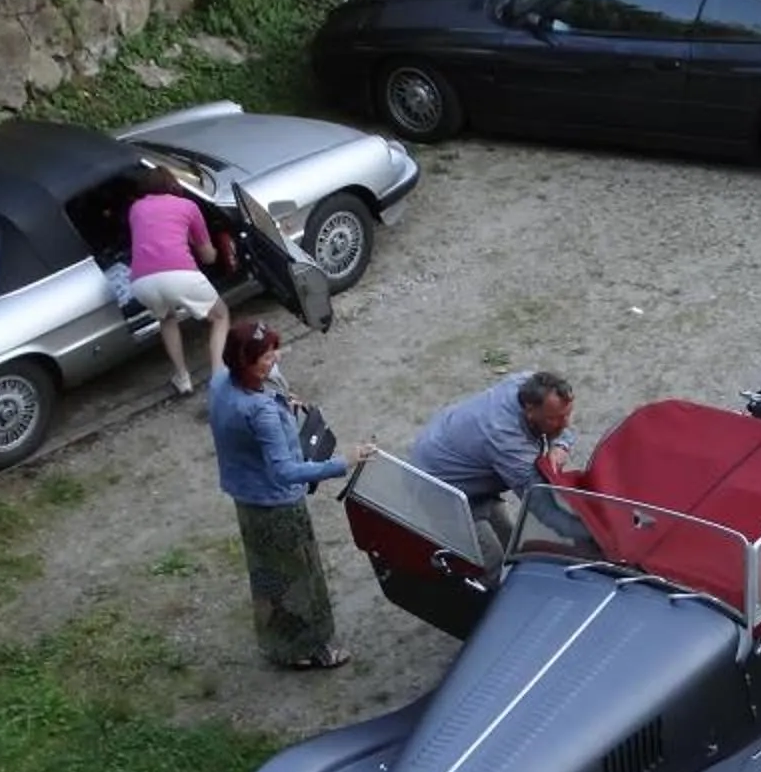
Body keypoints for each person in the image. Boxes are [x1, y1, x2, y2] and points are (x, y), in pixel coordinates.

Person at [209, 320, 371, 670]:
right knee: (300, 577)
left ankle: (277, 641)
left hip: (247, 497)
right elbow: (285, 472)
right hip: (277, 505)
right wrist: (345, 461)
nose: (275, 359)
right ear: (248, 363)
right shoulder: (259, 411)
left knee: (268, 574)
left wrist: (285, 403)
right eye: (267, 356)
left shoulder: (220, 382)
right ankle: (309, 648)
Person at [407, 369, 578, 562]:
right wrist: (586, 534)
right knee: (490, 564)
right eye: (554, 419)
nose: (565, 424)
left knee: (513, 547)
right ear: (530, 410)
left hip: (461, 466)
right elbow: (539, 501)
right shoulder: (506, 438)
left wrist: (561, 444)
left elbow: (562, 423)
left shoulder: (528, 383)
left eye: (567, 414)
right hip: (438, 490)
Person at [124, 171, 233, 397]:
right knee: (220, 316)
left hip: (141, 281)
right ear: (173, 184)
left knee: (167, 318)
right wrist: (215, 250)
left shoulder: (135, 209)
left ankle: (183, 378)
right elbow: (207, 257)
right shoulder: (188, 206)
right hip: (179, 274)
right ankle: (218, 374)